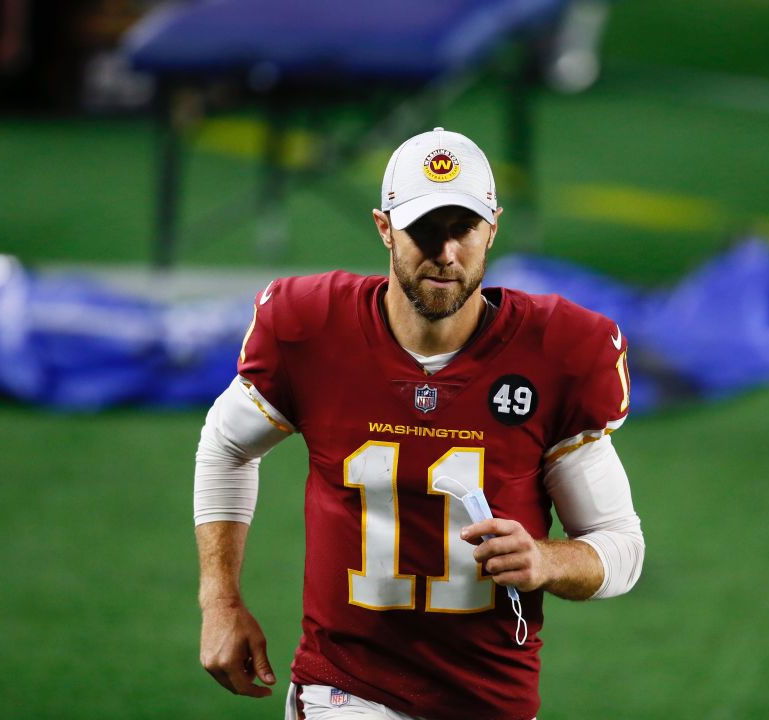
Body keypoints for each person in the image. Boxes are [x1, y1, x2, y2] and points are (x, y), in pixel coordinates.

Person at [193, 127, 645, 720]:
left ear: (493, 227)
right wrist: (220, 601)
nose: (446, 252)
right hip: (345, 689)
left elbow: (621, 547)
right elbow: (225, 446)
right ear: (384, 227)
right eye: (425, 230)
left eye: (462, 229)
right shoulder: (311, 327)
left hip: (490, 698)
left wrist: (545, 559)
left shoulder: (559, 353)